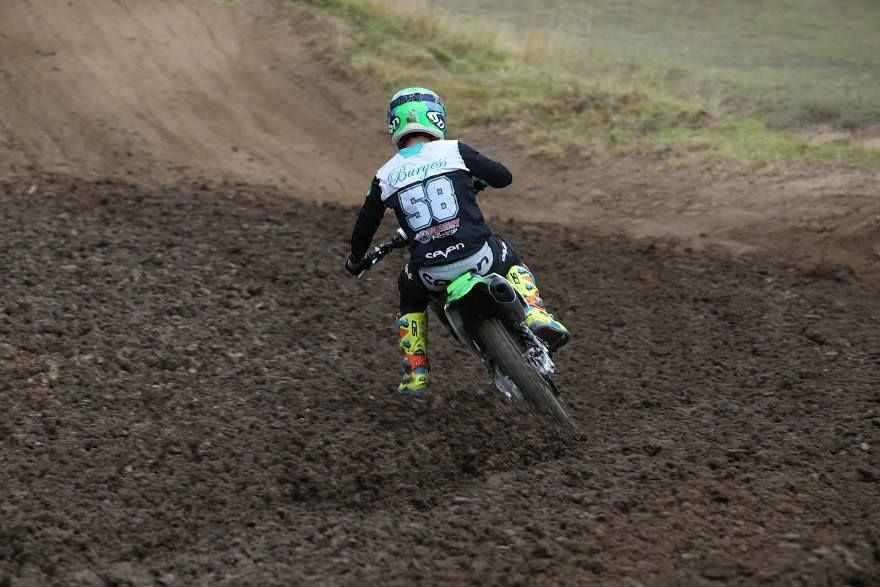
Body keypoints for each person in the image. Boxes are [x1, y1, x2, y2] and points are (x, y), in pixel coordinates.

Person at [345, 87, 569, 396]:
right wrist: (476, 177)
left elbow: (364, 226)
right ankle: (535, 313)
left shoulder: (384, 176)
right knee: (508, 253)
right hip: (480, 256)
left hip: (431, 275)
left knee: (408, 291)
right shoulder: (455, 151)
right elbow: (503, 177)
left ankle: (416, 369)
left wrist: (356, 259)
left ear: (394, 126)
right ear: (436, 118)